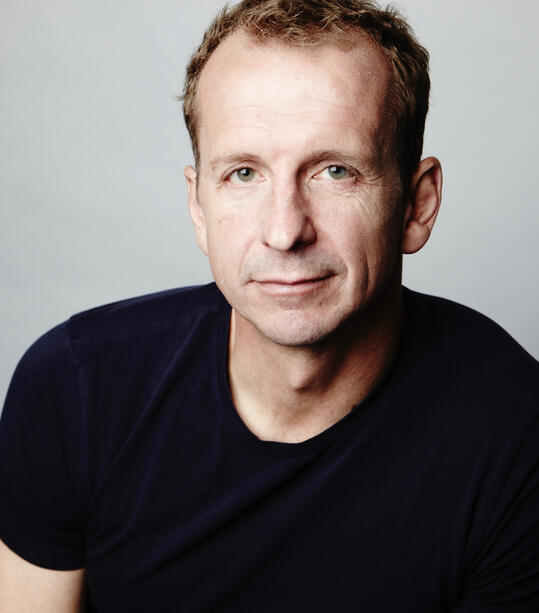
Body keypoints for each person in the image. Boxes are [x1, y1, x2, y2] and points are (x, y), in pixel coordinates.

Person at [1, 0, 538, 611]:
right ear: (199, 208)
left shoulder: (515, 435)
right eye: (243, 174)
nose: (285, 231)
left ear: (417, 205)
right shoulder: (75, 388)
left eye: (335, 171)